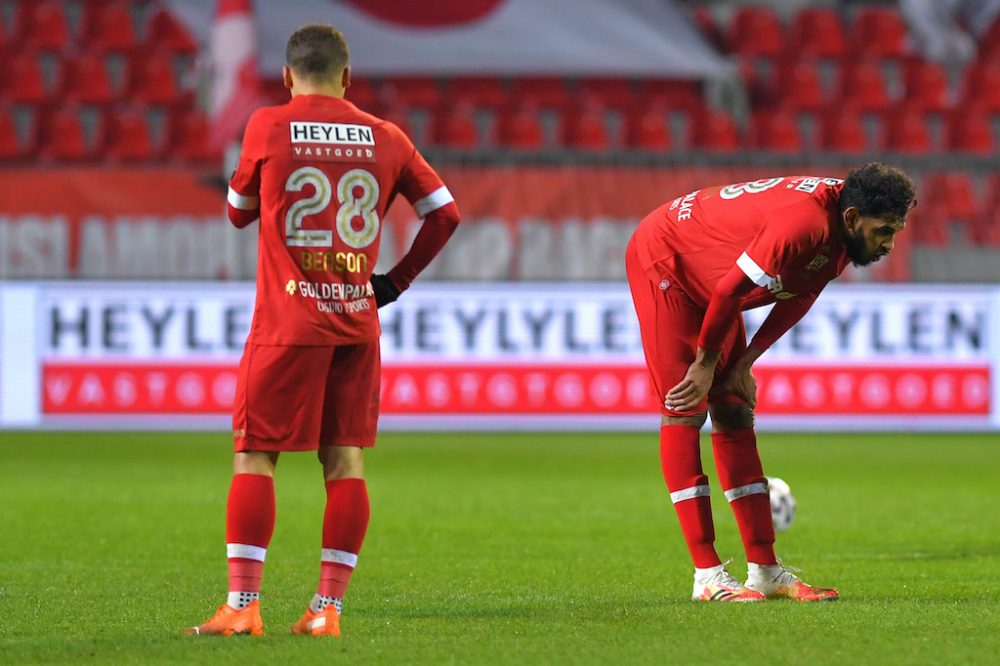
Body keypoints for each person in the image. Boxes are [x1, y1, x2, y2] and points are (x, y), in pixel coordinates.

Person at [187, 24, 460, 636]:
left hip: (287, 323)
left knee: (256, 456)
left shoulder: (266, 124)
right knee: (345, 463)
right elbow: (446, 213)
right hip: (356, 322)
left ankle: (242, 606)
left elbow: (237, 214)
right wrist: (394, 282)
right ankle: (326, 611)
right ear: (348, 76)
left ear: (287, 77)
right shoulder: (386, 136)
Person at [625, 163, 915, 602]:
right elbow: (728, 293)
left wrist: (745, 361)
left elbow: (801, 292)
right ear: (854, 218)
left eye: (896, 230)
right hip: (667, 259)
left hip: (716, 278)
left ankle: (765, 571)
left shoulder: (841, 229)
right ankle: (707, 575)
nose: (890, 243)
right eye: (884, 231)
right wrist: (705, 363)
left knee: (736, 406)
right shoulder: (803, 224)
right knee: (685, 406)